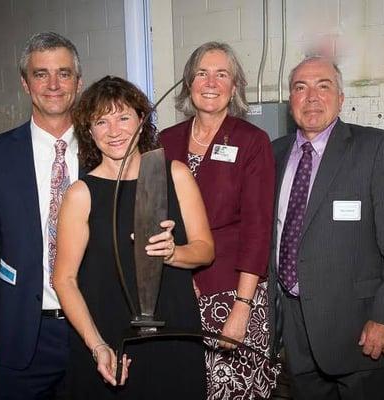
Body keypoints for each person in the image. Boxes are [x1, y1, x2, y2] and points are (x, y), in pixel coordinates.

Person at [52, 75, 214, 399]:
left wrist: (173, 253)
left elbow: (205, 250)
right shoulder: (81, 194)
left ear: (141, 120)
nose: (114, 131)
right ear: (89, 131)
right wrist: (96, 344)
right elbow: (64, 280)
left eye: (124, 117)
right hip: (108, 335)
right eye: (101, 121)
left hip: (174, 330)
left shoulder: (175, 174)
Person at [271, 55, 384, 400]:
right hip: (296, 328)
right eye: (300, 87)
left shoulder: (376, 148)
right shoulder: (274, 153)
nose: (311, 96)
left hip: (361, 328)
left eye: (323, 86)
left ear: (341, 98)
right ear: (290, 100)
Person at [0, 32, 83, 399]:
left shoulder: (105, 152)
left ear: (78, 82)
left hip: (93, 333)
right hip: (20, 335)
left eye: (63, 73)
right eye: (40, 73)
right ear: (25, 83)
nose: (53, 85)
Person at [160, 42, 279, 399]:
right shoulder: (165, 140)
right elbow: (156, 215)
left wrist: (242, 309)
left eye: (221, 74)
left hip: (232, 291)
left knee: (234, 390)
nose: (210, 82)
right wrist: (180, 271)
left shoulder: (252, 141)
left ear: (234, 86)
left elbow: (258, 228)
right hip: (177, 290)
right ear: (188, 83)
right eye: (202, 73)